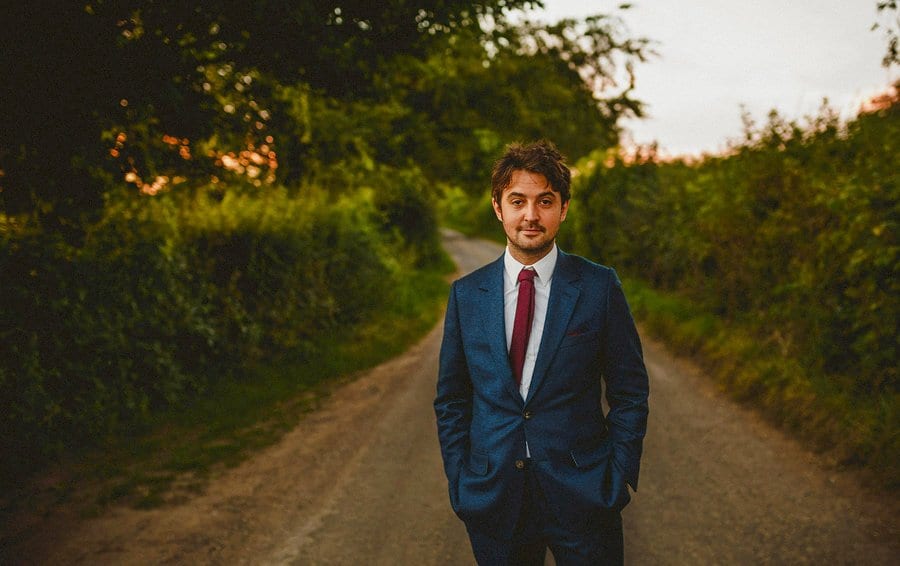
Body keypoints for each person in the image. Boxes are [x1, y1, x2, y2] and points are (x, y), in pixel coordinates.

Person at [434, 140, 649, 565]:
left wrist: (616, 474)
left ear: (563, 208)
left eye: (544, 201)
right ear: (499, 208)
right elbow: (452, 399)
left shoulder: (599, 287)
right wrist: (461, 480)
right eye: (518, 201)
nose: (531, 215)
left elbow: (630, 391)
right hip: (494, 498)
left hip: (585, 495)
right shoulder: (466, 295)